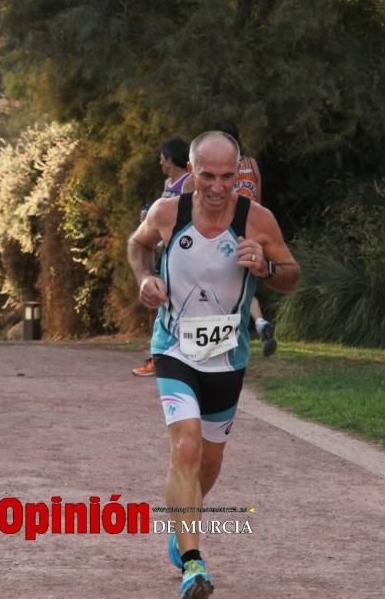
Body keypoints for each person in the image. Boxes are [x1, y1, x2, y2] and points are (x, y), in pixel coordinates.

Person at [128, 131, 299, 599]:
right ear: (191, 169)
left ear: (238, 173)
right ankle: (192, 563)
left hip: (227, 355)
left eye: (227, 176)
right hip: (174, 347)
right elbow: (136, 244)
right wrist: (145, 279)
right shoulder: (169, 213)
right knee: (185, 448)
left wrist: (264, 267)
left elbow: (291, 276)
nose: (218, 186)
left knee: (210, 458)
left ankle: (182, 522)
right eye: (207, 175)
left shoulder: (257, 220)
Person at [202, 120, 277, 357]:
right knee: (243, 284)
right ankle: (260, 322)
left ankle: (222, 341)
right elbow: (259, 197)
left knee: (220, 283)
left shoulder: (222, 169)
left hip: (230, 227)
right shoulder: (252, 164)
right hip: (253, 227)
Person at [132, 137, 192, 377]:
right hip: (164, 249)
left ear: (170, 158)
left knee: (177, 302)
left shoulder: (189, 183)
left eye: (162, 158)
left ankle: (169, 357)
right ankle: (161, 356)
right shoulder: (169, 182)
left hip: (183, 251)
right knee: (160, 300)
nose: (159, 162)